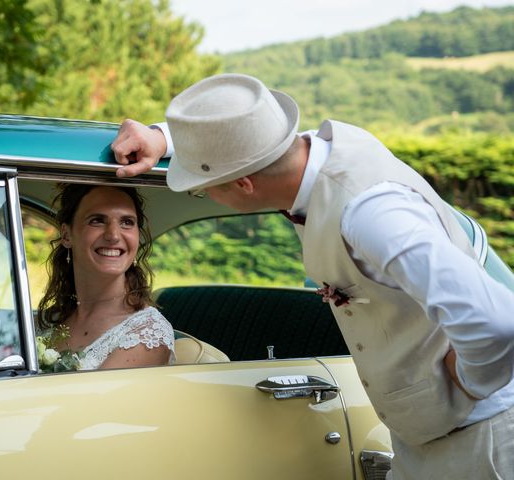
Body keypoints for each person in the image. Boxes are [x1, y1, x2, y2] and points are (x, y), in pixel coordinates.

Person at [111, 73, 514, 478]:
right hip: (427, 435)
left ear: (244, 183)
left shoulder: (373, 214)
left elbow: (498, 322)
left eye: (202, 188)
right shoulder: (306, 156)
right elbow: (246, 139)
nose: (206, 195)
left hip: (482, 438)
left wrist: (467, 381)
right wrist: (163, 137)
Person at [36, 183, 175, 370]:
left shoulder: (147, 334)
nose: (113, 235)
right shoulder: (46, 320)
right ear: (67, 235)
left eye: (127, 222)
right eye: (97, 220)